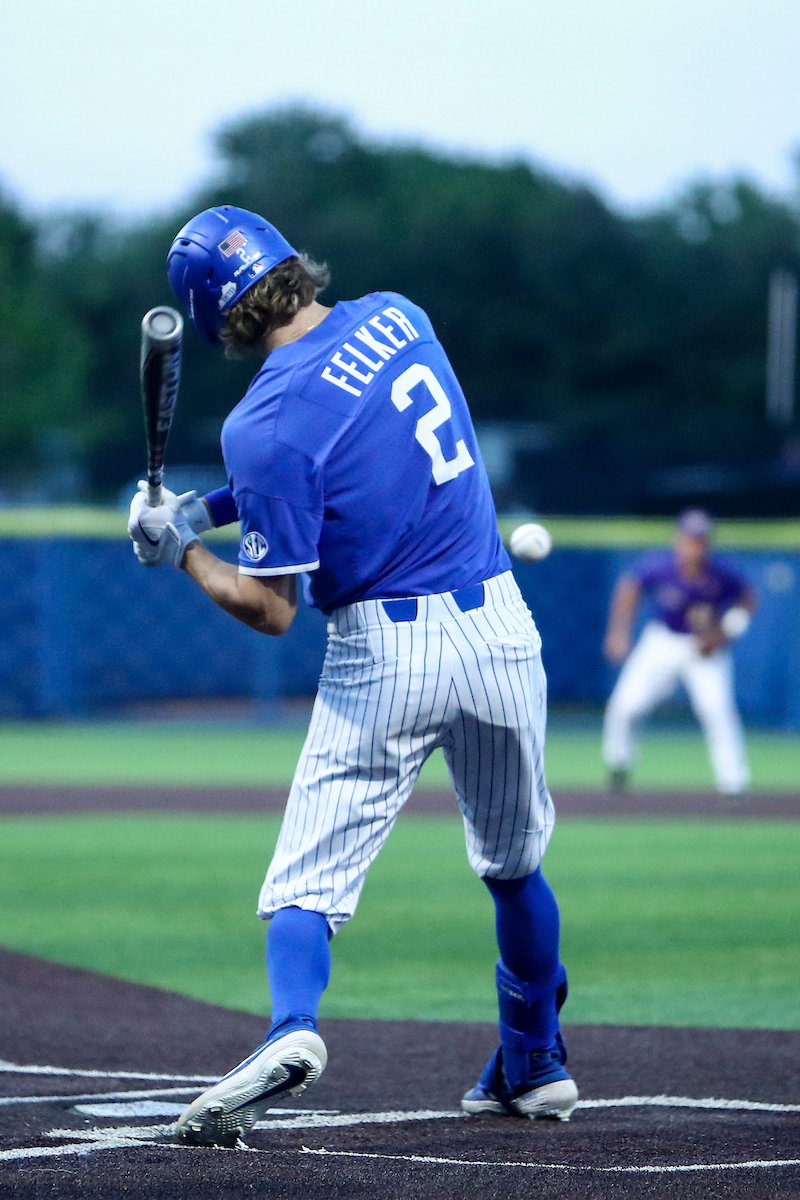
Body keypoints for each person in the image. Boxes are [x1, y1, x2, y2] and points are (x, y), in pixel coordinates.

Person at [127, 204, 578, 1146]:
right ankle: (536, 1060)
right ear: (289, 260)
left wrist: (181, 558)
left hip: (386, 653)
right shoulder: (397, 315)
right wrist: (196, 515)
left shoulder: (261, 424)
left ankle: (294, 1030)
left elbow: (272, 609)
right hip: (499, 627)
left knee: (306, 887)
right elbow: (336, 448)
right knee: (514, 866)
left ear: (215, 316)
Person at [602, 509, 756, 796]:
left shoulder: (722, 573)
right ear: (678, 540)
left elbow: (748, 601)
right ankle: (618, 764)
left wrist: (725, 632)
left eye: (700, 540)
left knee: (717, 711)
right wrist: (618, 633)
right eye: (689, 539)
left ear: (708, 543)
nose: (694, 546)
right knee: (625, 706)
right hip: (663, 642)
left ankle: (734, 784)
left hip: (704, 649)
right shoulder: (661, 567)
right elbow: (629, 588)